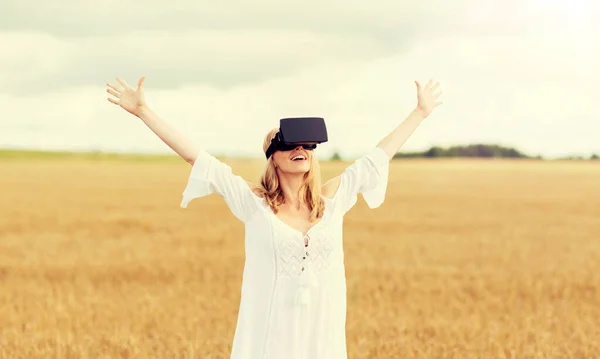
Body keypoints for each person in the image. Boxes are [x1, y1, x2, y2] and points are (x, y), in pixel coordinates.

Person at [105, 76, 442, 359]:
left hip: (320, 339)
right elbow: (198, 158)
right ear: (273, 157)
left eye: (309, 146)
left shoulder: (333, 200)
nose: (301, 150)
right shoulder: (255, 205)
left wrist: (420, 113)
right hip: (271, 340)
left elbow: (377, 157)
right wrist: (143, 112)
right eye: (290, 145)